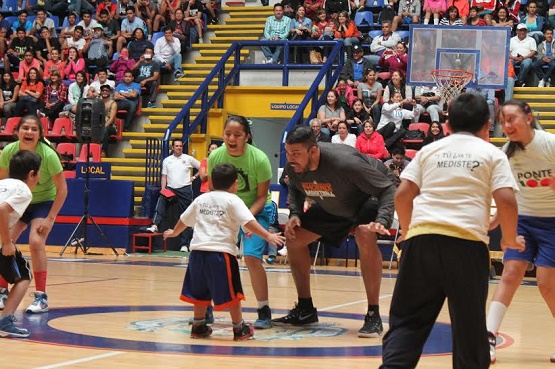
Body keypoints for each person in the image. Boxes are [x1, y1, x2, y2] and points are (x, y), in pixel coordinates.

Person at [379, 93, 524, 369]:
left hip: (421, 242)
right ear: (487, 126)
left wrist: (410, 232)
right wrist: (508, 238)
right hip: (466, 246)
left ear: (447, 125)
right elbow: (506, 200)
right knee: (470, 331)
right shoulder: (492, 153)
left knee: (407, 323)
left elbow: (402, 196)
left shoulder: (429, 150)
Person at [274, 125, 396, 337]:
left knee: (364, 235)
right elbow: (294, 187)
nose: (290, 158)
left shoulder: (345, 163)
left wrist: (383, 220)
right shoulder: (294, 166)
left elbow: (388, 188)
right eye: (288, 152)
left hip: (368, 197)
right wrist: (294, 213)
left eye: (295, 153)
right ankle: (305, 309)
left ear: (313, 151)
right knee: (294, 238)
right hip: (335, 201)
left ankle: (373, 314)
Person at [163, 163, 286, 341]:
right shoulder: (233, 200)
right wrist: (268, 235)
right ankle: (239, 328)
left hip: (197, 254)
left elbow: (184, 219)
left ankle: (198, 326)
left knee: (200, 293)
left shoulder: (200, 199)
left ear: (211, 182)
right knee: (233, 293)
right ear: (235, 184)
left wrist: (174, 232)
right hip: (221, 254)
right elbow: (249, 222)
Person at [486, 100, 555, 364]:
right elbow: (508, 191)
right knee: (511, 273)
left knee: (547, 285)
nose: (507, 126)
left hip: (552, 223)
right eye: (503, 121)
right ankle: (489, 336)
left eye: (512, 119)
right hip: (523, 220)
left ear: (528, 117)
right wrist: (495, 219)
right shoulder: (507, 152)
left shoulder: (549, 143)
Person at [208, 115, 277, 330]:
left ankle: (264, 309)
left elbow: (261, 196)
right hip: (226, 211)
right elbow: (214, 191)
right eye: (228, 134)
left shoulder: (260, 159)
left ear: (246, 137)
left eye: (237, 135)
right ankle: (206, 308)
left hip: (256, 211)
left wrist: (246, 220)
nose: (231, 138)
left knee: (252, 258)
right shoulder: (215, 157)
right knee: (213, 258)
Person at [0, 116, 68, 314]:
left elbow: (62, 189)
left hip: (43, 202)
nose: (29, 132)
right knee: (6, 240)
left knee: (36, 242)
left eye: (33, 129)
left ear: (40, 134)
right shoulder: (9, 151)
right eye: (25, 128)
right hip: (17, 199)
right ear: (17, 131)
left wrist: (50, 218)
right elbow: (4, 182)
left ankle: (41, 296)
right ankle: (3, 290)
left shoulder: (48, 155)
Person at [0, 150, 42, 334]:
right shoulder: (24, 191)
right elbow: (1, 209)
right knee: (23, 277)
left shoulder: (2, 183)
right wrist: (7, 242)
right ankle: (5, 321)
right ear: (32, 174)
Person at [144, 139, 200, 250]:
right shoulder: (167, 160)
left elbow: (202, 166)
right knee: (161, 199)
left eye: (180, 146)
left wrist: (194, 177)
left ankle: (184, 244)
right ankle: (155, 225)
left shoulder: (188, 158)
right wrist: (163, 189)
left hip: (185, 189)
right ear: (172, 147)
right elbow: (164, 176)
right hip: (171, 189)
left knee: (186, 215)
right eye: (177, 146)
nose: (179, 147)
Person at [100, 84, 118, 157]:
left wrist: (104, 126)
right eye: (103, 90)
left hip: (111, 126)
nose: (104, 92)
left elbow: (112, 118)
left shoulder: (113, 104)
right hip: (99, 125)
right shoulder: (98, 102)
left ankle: (104, 151)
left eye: (106, 91)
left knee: (105, 130)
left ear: (109, 92)